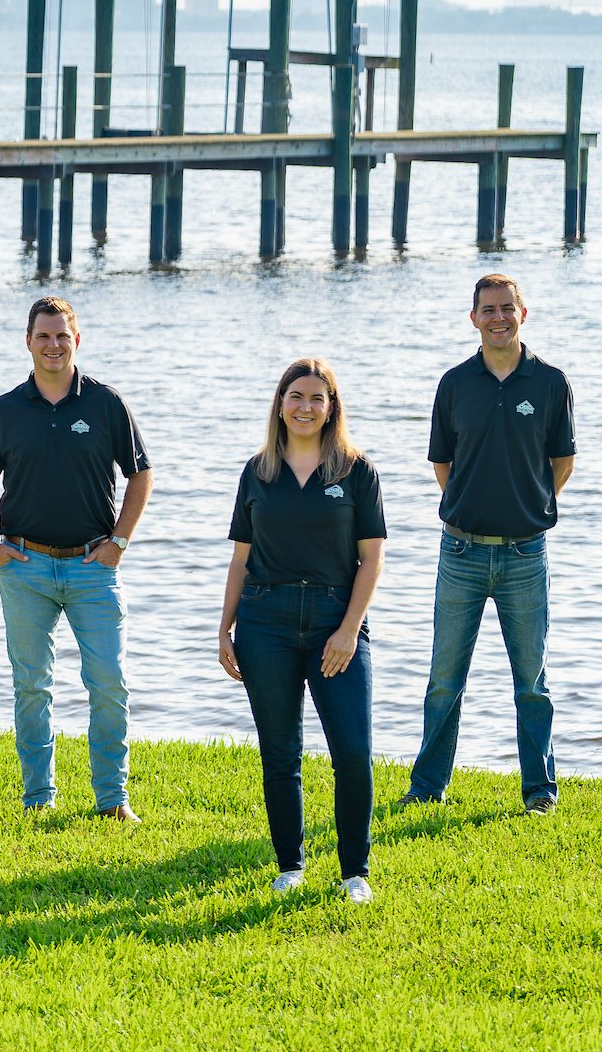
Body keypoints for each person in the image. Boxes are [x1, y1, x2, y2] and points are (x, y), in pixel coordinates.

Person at [0, 295, 152, 819]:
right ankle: (38, 799)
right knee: (31, 686)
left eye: (62, 336)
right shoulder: (6, 411)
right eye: (43, 336)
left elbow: (141, 474)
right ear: (28, 342)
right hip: (24, 567)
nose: (53, 345)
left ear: (77, 340)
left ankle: (113, 801)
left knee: (109, 684)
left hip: (93, 565)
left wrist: (119, 542)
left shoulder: (105, 403)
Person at [216, 359, 385, 902]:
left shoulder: (357, 471)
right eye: (296, 396)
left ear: (332, 406)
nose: (305, 406)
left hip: (337, 623)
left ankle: (354, 872)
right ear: (280, 404)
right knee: (280, 751)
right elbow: (241, 558)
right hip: (265, 622)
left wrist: (348, 631)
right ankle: (291, 865)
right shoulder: (258, 471)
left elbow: (372, 559)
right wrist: (225, 628)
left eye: (317, 397)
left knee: (353, 751)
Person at [404, 273, 574, 813]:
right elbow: (442, 463)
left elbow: (561, 462)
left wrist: (525, 505)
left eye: (507, 308)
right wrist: (470, 509)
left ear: (523, 313)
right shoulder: (455, 384)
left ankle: (539, 792)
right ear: (472, 317)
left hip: (527, 554)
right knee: (443, 681)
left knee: (532, 682)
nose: (498, 317)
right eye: (488, 310)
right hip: (460, 554)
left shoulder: (551, 383)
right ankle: (428, 788)